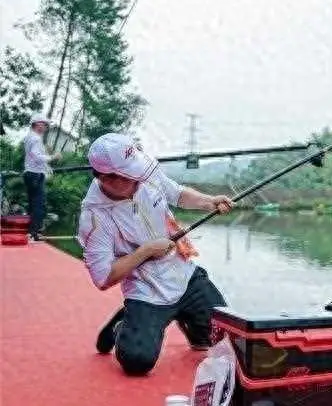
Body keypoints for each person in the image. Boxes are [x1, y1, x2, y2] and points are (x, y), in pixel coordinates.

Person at [76, 132, 235, 376]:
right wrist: (146, 250)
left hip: (184, 275)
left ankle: (190, 321)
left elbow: (176, 193)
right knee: (137, 361)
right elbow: (103, 277)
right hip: (146, 289)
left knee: (227, 341)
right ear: (107, 179)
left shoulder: (143, 173)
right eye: (130, 175)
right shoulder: (94, 217)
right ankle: (123, 324)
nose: (140, 178)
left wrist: (209, 201)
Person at [22, 113, 61, 240]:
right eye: (45, 124)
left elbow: (34, 156)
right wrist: (53, 157)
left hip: (30, 173)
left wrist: (46, 155)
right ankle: (33, 233)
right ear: (38, 124)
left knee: (33, 204)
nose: (46, 127)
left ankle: (30, 232)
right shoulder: (36, 138)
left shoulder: (30, 137)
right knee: (39, 204)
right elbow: (36, 156)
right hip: (35, 175)